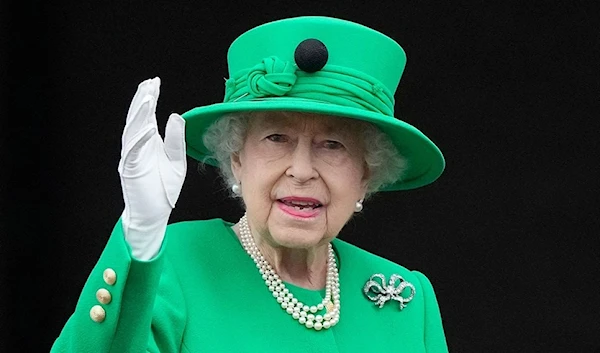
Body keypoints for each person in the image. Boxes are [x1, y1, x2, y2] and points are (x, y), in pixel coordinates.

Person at [51, 15, 449, 352]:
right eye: (277, 138)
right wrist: (138, 240)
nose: (301, 170)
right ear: (236, 160)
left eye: (333, 144)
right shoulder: (169, 265)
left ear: (366, 175)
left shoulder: (406, 299)